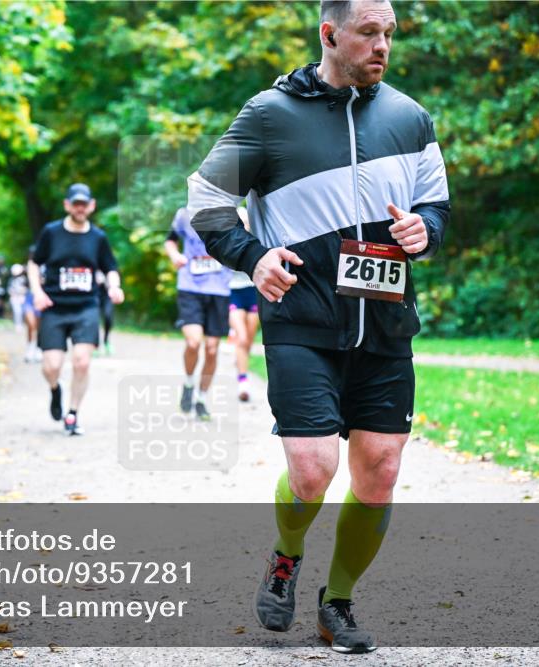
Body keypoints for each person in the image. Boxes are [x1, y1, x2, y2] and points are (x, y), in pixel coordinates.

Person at [187, 0, 449, 653]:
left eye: (389, 33)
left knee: (380, 470)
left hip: (386, 325)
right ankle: (286, 555)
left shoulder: (410, 118)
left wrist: (425, 231)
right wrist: (255, 256)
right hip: (302, 319)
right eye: (368, 32)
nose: (382, 45)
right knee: (311, 468)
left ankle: (339, 601)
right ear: (330, 33)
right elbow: (207, 202)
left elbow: (435, 207)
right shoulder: (270, 116)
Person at [28, 183, 125, 435]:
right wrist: (37, 293)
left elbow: (110, 268)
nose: (80, 208)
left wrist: (114, 287)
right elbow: (33, 263)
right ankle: (55, 389)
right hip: (54, 307)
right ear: (67, 205)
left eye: (84, 204)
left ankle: (72, 414)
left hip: (85, 308)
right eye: (76, 203)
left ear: (91, 206)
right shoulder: (51, 233)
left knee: (81, 363)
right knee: (51, 366)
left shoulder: (98, 238)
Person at [164, 206, 233, 421]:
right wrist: (175, 255)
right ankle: (188, 383)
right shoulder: (184, 214)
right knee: (193, 342)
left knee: (212, 349)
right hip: (190, 286)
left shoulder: (230, 215)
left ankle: (201, 398)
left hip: (219, 289)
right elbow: (170, 240)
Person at [228, 207, 260, 402]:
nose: (244, 224)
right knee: (241, 337)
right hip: (234, 292)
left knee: (247, 339)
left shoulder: (258, 239)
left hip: (253, 291)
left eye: (246, 221)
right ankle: (243, 380)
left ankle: (240, 362)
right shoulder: (227, 240)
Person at [22, 244, 42, 363]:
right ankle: (30, 347)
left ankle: (38, 347)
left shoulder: (44, 266)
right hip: (29, 298)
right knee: (31, 324)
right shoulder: (25, 268)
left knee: (39, 326)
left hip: (40, 298)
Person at [95, 269, 115, 356]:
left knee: (108, 317)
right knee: (94, 320)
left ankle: (106, 341)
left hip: (107, 296)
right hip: (94, 296)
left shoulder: (108, 264)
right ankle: (95, 345)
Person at [7, 263, 28, 332]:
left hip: (22, 297)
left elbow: (26, 289)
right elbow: (9, 289)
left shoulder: (24, 279)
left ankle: (23, 324)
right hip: (14, 298)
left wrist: (23, 292)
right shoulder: (11, 280)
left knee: (23, 311)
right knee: (17, 311)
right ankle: (18, 325)